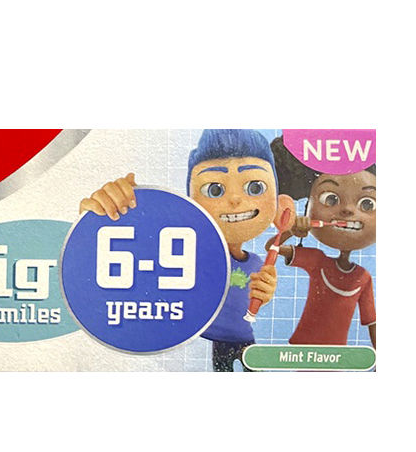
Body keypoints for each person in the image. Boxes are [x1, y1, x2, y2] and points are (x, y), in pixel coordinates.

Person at [80, 129, 294, 371]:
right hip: (199, 344)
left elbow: (247, 304)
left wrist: (264, 294)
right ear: (189, 202)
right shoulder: (186, 255)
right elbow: (146, 259)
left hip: (246, 339)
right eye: (214, 189)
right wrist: (107, 221)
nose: (235, 199)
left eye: (255, 187)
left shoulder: (256, 262)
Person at [268, 138, 376, 347]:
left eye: (367, 204)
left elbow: (372, 321)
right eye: (330, 199)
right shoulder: (317, 261)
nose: (347, 210)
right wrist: (291, 230)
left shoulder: (363, 278)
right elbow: (271, 247)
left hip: (338, 354)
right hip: (302, 347)